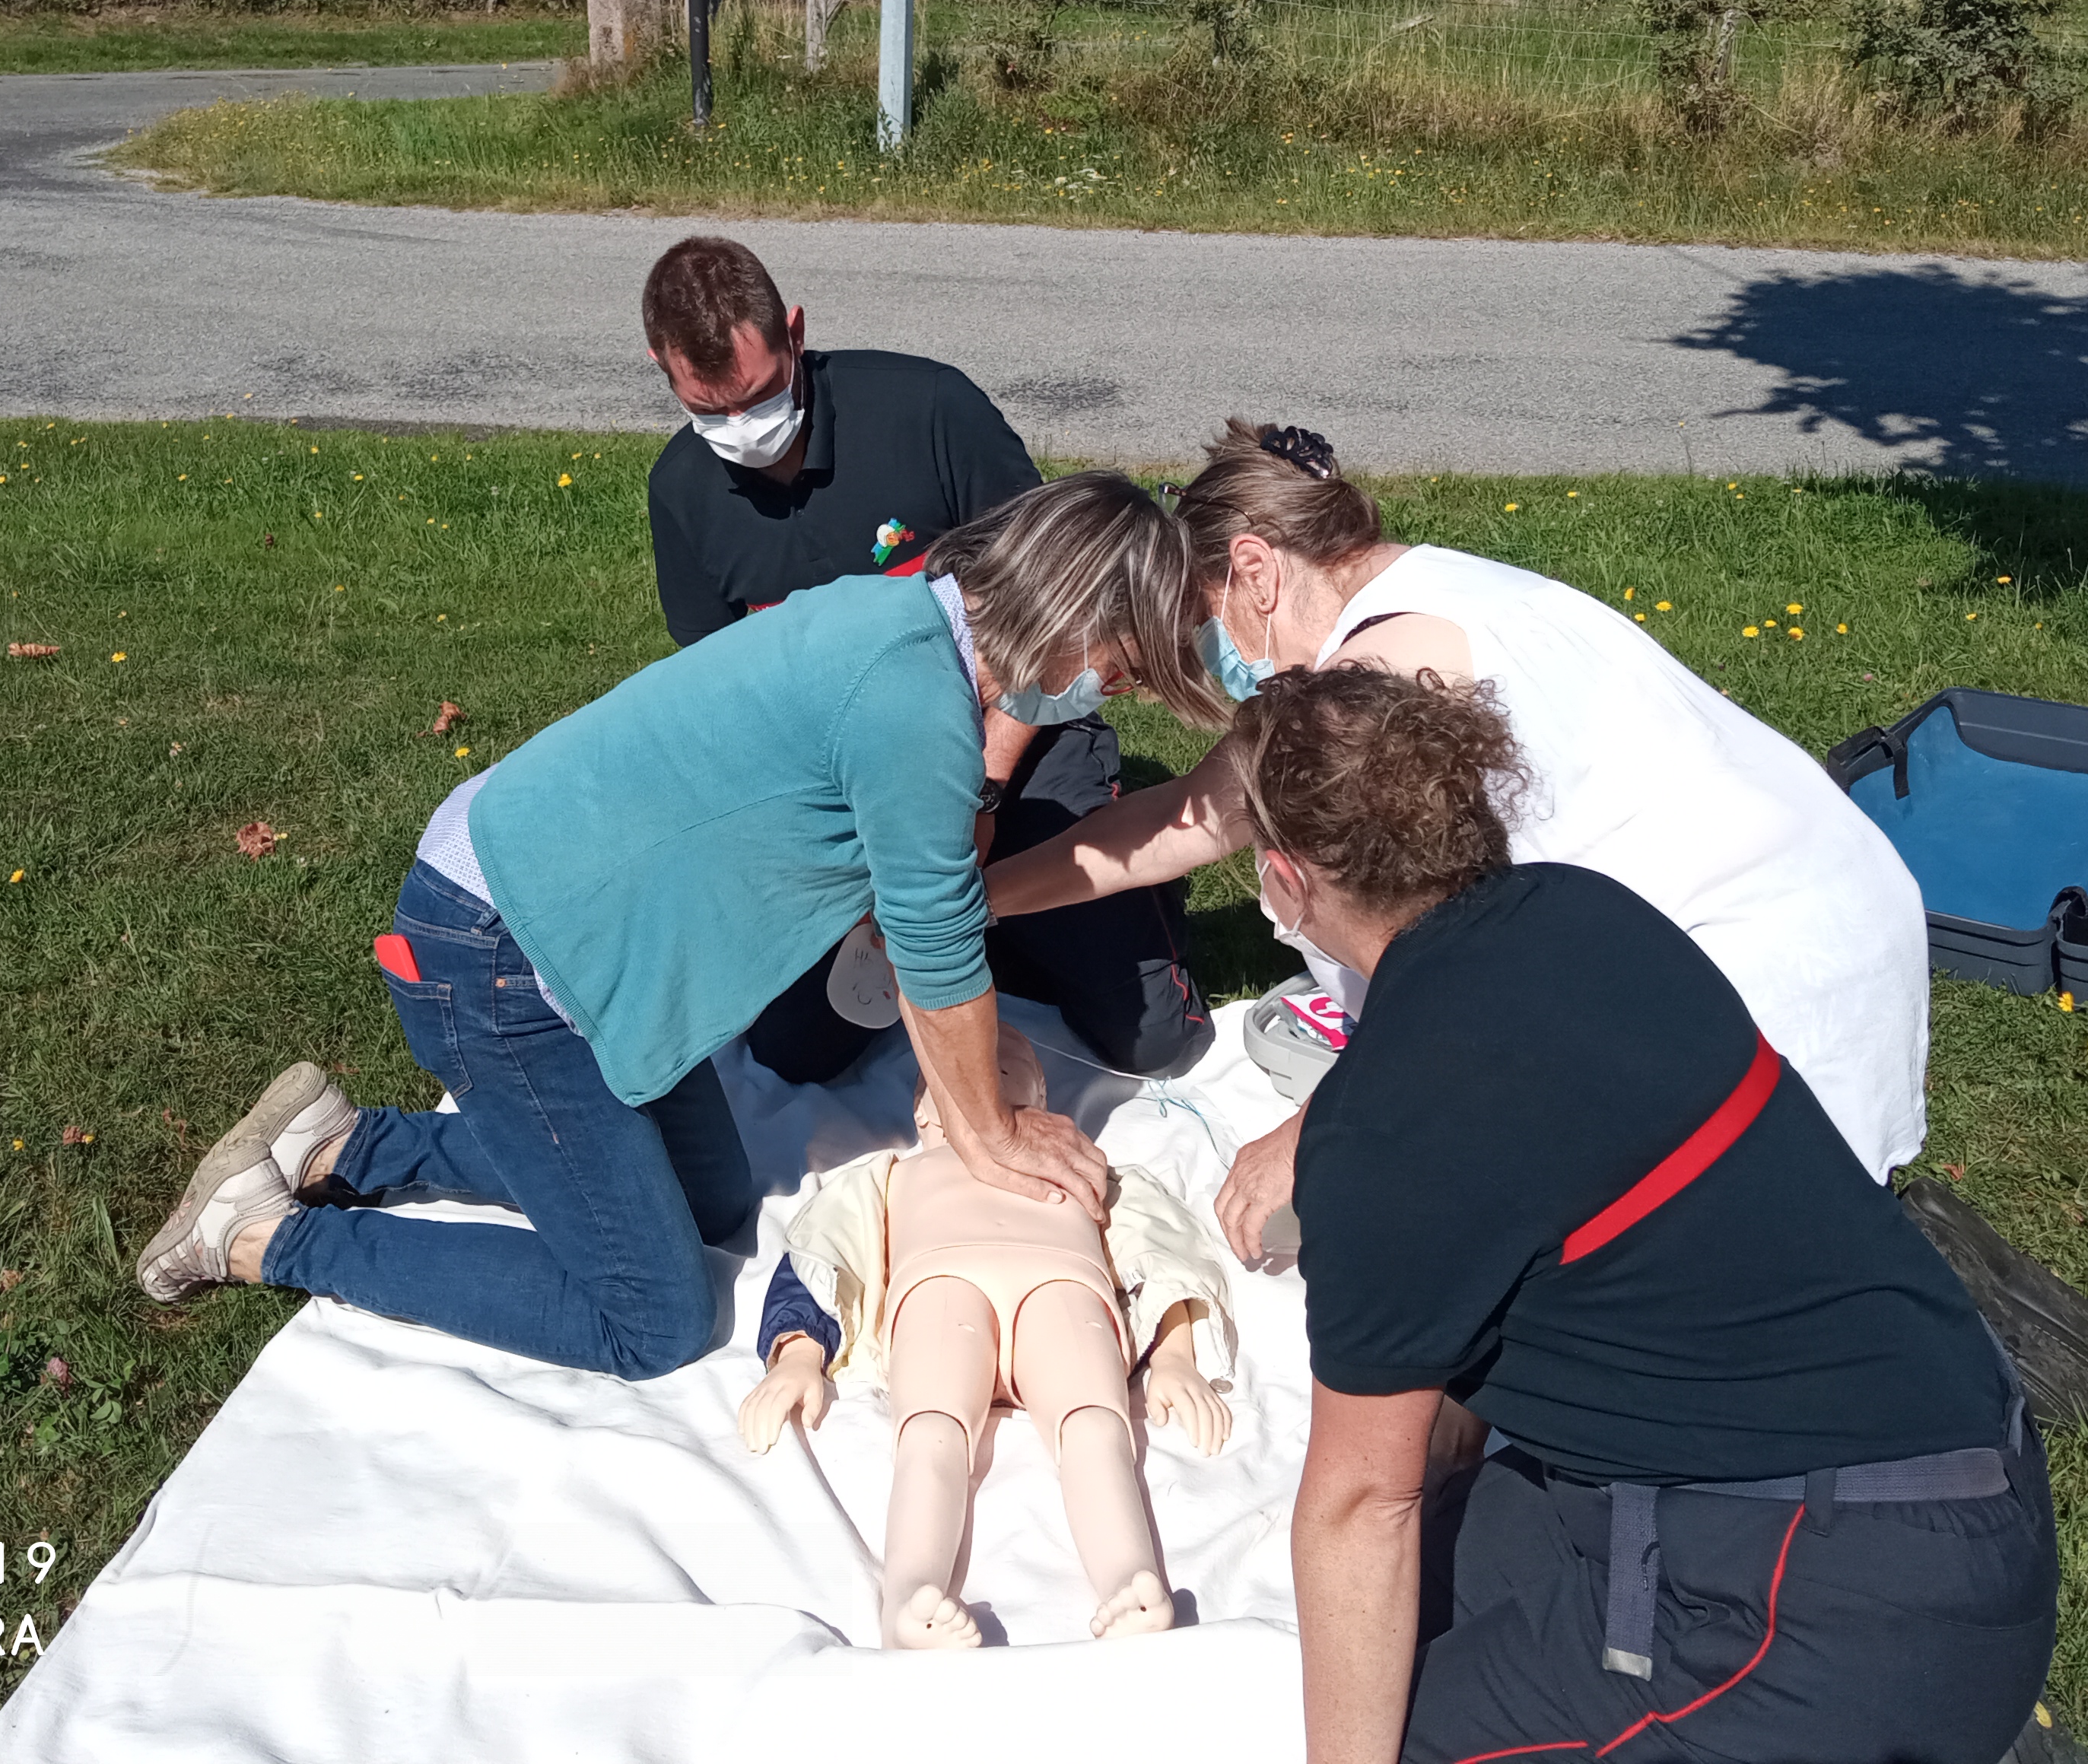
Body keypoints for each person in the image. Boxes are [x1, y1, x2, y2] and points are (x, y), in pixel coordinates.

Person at [135, 474, 1232, 1381]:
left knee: (711, 1200)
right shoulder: (909, 705)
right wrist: (989, 1134)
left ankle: (343, 1145)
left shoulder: (905, 624)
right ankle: (265, 1234)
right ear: (1073, 614)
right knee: (652, 1319)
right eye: (1120, 668)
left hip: (563, 924)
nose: (1108, 694)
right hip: (500, 954)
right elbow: (936, 952)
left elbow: (926, 898)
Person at [1252, 666, 2056, 1764]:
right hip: (1963, 1461)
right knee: (1440, 1571)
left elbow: (1357, 1508)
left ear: (1289, 881)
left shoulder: (1386, 1125)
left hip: (1837, 1606)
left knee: (1398, 1728)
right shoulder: (1589, 914)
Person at [985, 420, 1929, 1267]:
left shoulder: (1380, 677)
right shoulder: (1426, 584)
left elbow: (1452, 967)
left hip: (1752, 978)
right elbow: (1186, 820)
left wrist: (1310, 1137)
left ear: (1257, 569)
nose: (1207, 653)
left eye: (1204, 618)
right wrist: (967, 899)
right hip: (1829, 903)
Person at [641, 234, 1206, 1082]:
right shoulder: (681, 490)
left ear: (794, 332)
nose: (741, 430)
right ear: (662, 367)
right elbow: (735, 708)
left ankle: (1081, 904)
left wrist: (981, 785)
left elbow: (1056, 615)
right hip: (852, 798)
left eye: (757, 398)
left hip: (1014, 743)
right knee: (795, 1055)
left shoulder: (930, 408)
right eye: (710, 412)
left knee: (1155, 1043)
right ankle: (1003, 932)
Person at [734, 1022, 1235, 1651]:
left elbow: (1157, 1246)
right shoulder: (888, 1177)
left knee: (1095, 1426)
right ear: (924, 1111)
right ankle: (910, 1596)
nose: (982, 1072)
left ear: (1043, 1097)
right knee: (931, 1429)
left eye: (1004, 1067)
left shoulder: (1086, 1167)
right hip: (942, 1287)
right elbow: (828, 1248)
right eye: (956, 1071)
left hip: (1063, 1287)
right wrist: (798, 1356)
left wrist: (1177, 1355)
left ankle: (1130, 1579)